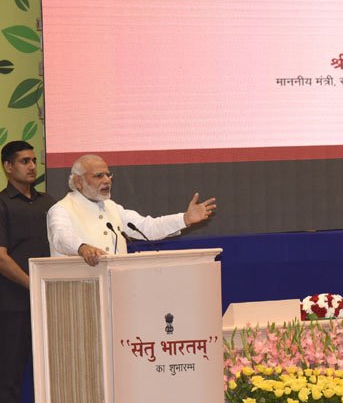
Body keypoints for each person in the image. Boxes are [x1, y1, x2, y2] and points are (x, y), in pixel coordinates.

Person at [47, 154, 216, 266]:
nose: (107, 180)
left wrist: (185, 219)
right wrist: (82, 247)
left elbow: (148, 227)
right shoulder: (61, 209)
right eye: (99, 176)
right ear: (78, 182)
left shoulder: (113, 208)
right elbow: (60, 237)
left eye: (108, 175)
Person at [0, 140, 56, 402]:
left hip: (49, 303)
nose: (32, 166)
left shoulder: (49, 202)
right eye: (25, 161)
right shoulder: (2, 204)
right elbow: (1, 258)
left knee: (51, 371)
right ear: (8, 167)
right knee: (9, 376)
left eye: (34, 160)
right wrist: (34, 284)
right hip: (13, 304)